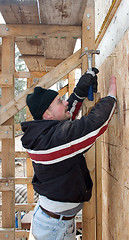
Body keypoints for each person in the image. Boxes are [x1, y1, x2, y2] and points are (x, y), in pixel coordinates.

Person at [21, 68, 117, 240]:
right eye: (60, 101)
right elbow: (93, 125)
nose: (65, 103)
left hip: (55, 223)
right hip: (55, 228)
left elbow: (67, 122)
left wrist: (80, 91)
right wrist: (111, 97)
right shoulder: (51, 143)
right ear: (47, 114)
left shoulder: (43, 134)